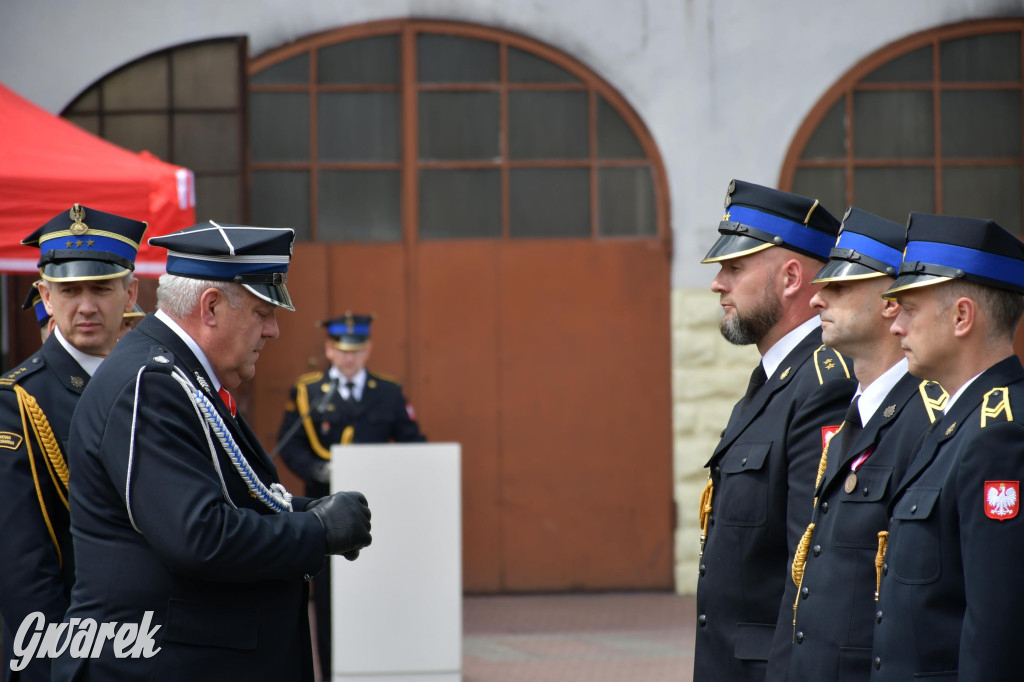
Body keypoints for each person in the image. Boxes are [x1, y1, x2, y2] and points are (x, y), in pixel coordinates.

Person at [51, 222, 373, 682]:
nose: (274, 331)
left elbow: (231, 499)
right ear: (212, 306)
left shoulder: (178, 377)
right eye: (263, 312)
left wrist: (312, 510)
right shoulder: (153, 383)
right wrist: (315, 531)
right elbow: (200, 536)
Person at [765, 207, 945, 682]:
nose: (817, 299)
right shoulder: (853, 417)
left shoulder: (926, 421)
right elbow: (805, 582)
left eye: (839, 287)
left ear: (891, 303)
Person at [695, 179, 857, 682]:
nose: (719, 283)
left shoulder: (821, 386)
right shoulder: (774, 380)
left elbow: (809, 569)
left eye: (735, 267)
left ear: (791, 278)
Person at [869, 213, 1024, 680]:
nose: (895, 326)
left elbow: (997, 628)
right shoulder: (955, 423)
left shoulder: (999, 435)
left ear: (962, 316)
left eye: (910, 308)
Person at [0, 204, 144, 682]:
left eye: (102, 288)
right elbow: (23, 562)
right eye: (69, 290)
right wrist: (62, 666)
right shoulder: (18, 400)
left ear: (131, 293)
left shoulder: (152, 385)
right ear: (44, 293)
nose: (86, 306)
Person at [278, 312, 425, 678]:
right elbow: (291, 445)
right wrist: (316, 471)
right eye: (342, 351)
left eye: (357, 351)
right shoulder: (308, 391)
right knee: (328, 604)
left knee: (378, 595)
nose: (349, 358)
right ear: (329, 350)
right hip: (326, 512)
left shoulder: (388, 392)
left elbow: (413, 442)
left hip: (377, 512)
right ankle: (331, 673)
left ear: (368, 349)